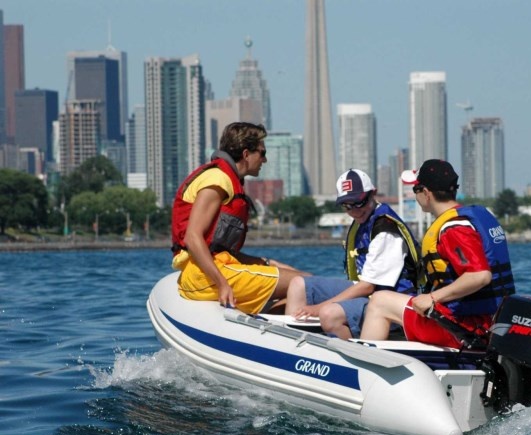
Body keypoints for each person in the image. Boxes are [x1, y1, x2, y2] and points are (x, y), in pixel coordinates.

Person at [359, 159, 515, 348]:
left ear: (426, 193)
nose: (415, 195)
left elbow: (480, 275)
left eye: (415, 189)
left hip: (462, 329)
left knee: (379, 301)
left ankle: (364, 361)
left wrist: (432, 298)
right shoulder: (468, 219)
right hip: (487, 324)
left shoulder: (453, 229)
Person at [171, 121, 307, 314]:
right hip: (202, 276)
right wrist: (222, 284)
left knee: (303, 280)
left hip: (212, 270)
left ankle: (272, 326)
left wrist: (266, 263)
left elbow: (219, 250)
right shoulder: (217, 179)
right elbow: (193, 237)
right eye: (262, 153)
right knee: (308, 285)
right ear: (246, 154)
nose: (265, 160)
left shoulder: (227, 180)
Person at [284, 169, 419, 339]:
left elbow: (367, 286)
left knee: (328, 314)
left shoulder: (385, 229)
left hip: (392, 302)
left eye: (359, 203)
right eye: (347, 206)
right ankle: (292, 344)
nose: (354, 211)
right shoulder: (363, 221)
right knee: (298, 285)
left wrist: (317, 308)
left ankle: (349, 352)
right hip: (370, 292)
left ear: (373, 194)